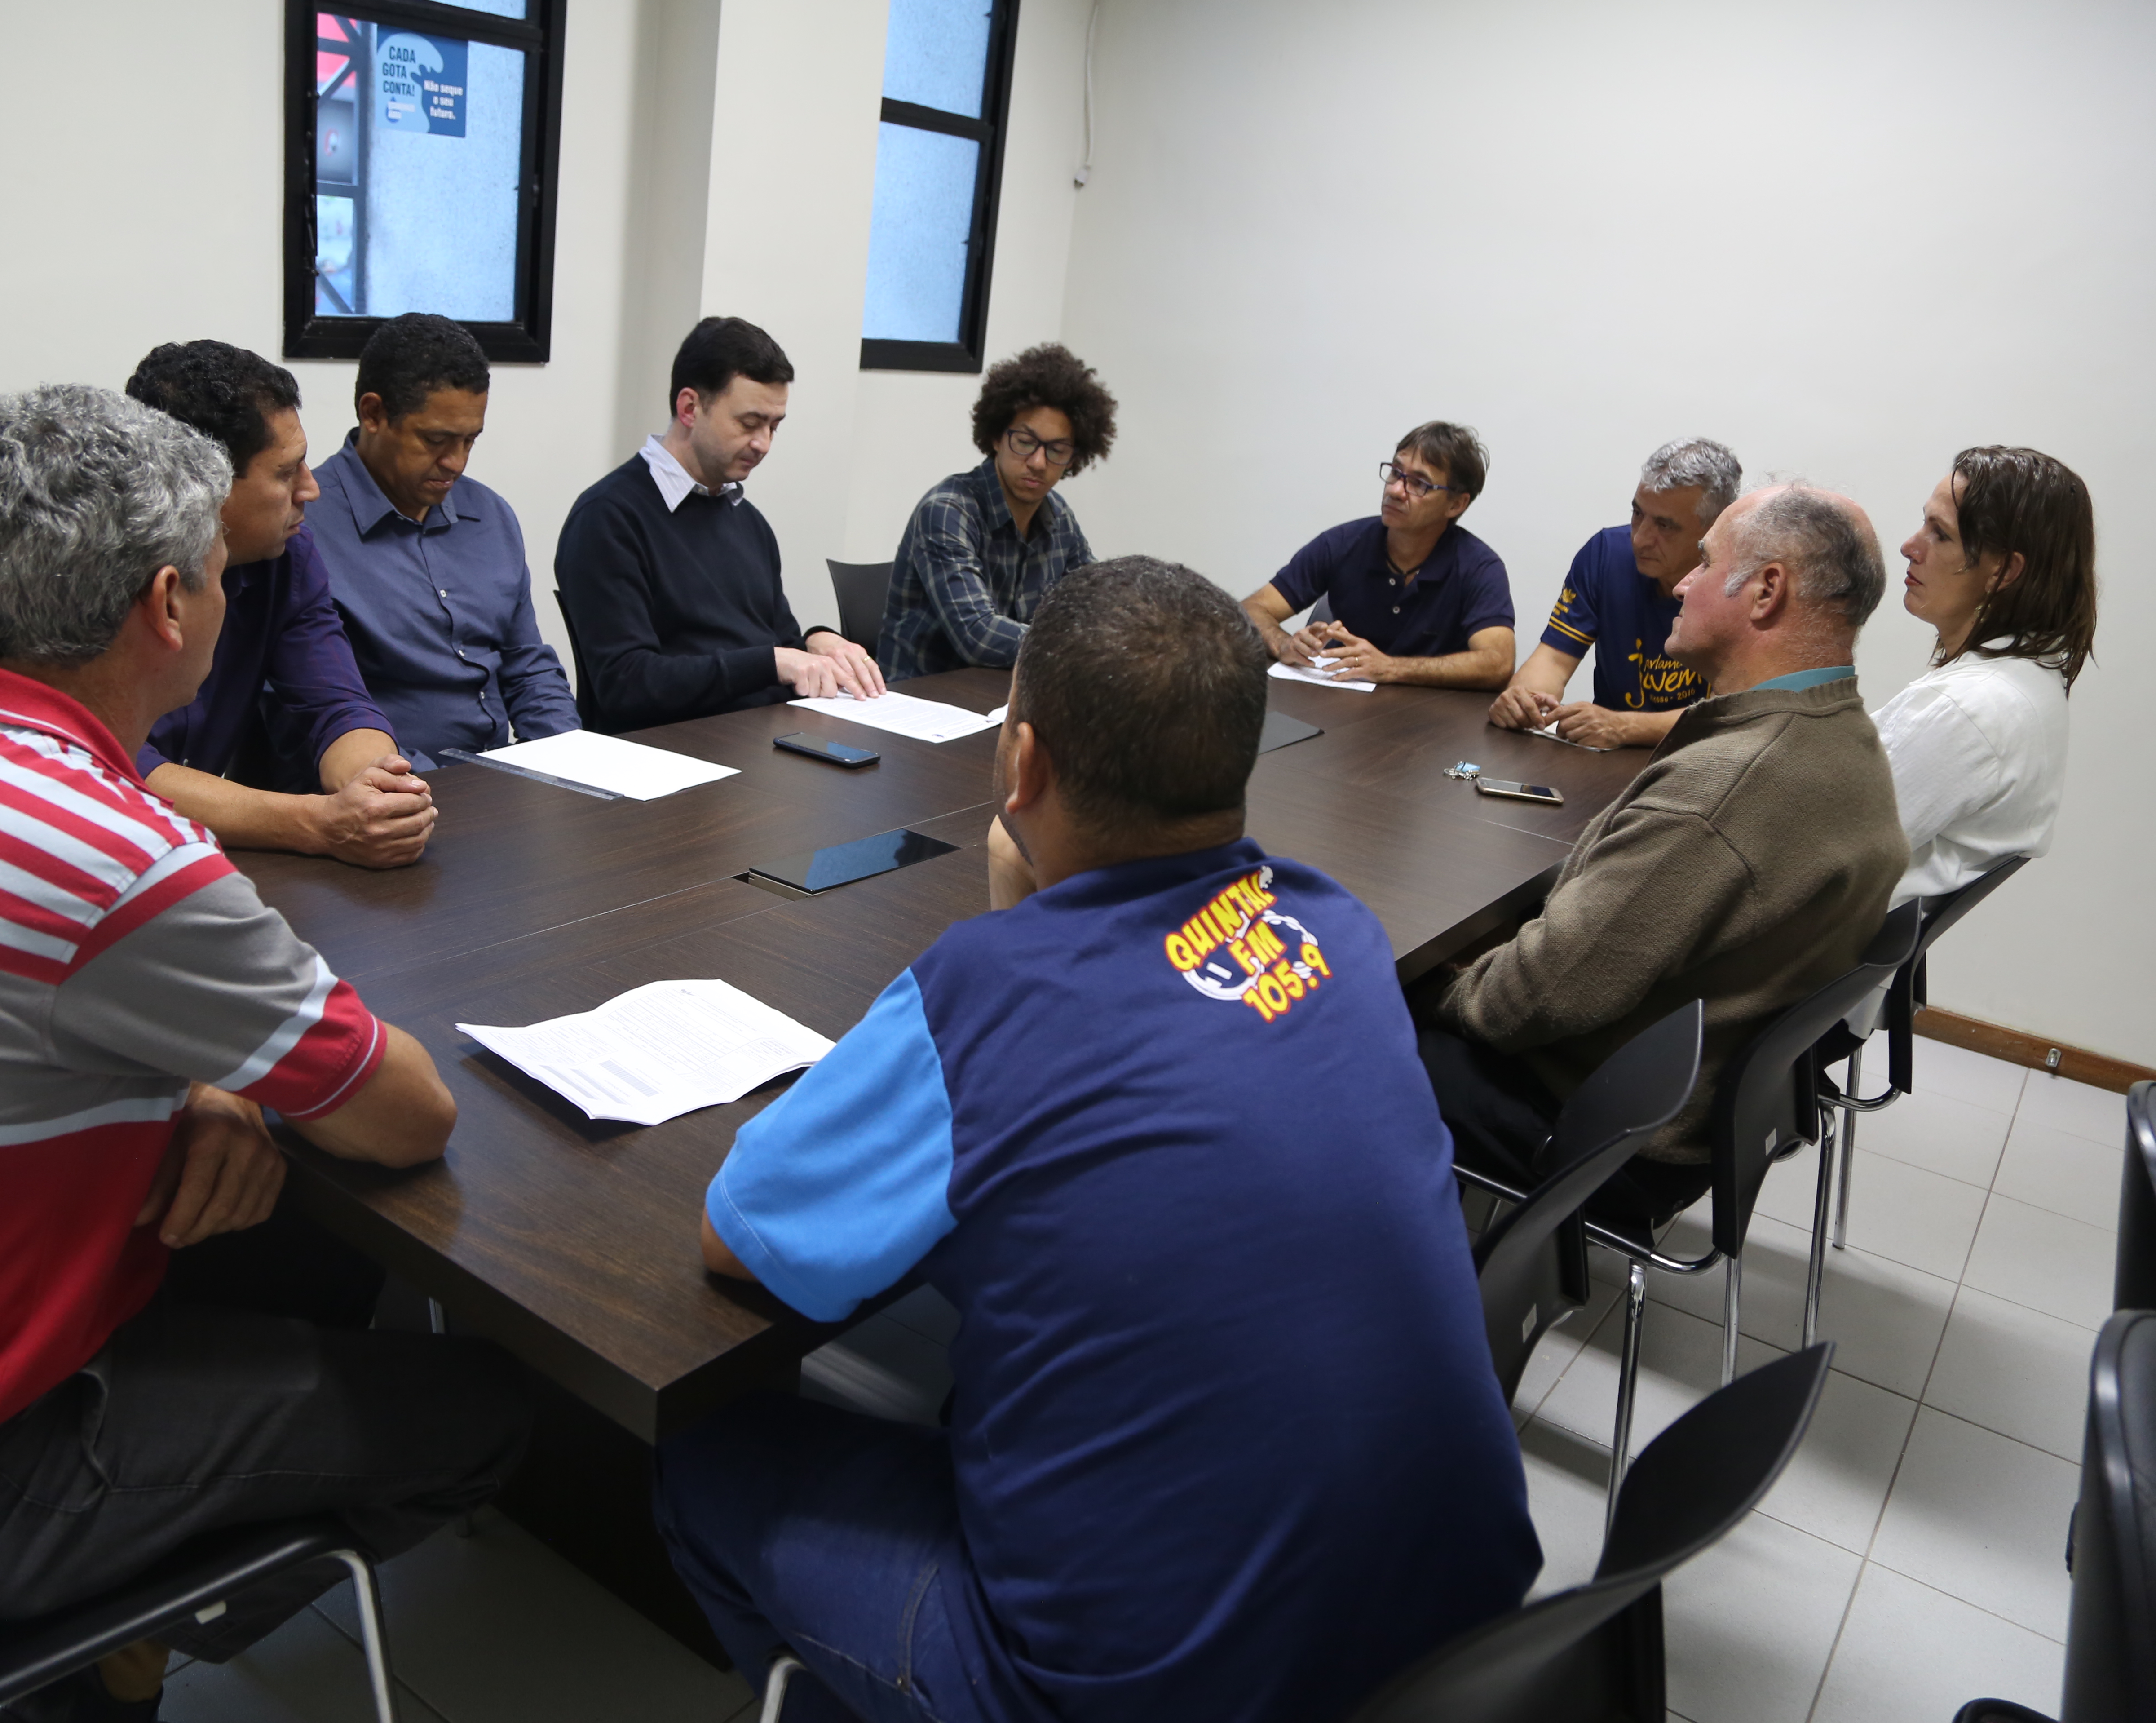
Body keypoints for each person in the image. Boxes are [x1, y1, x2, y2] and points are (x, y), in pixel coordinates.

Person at [0, 385, 528, 1723]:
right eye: (214, 568)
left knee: (307, 1247)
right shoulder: (110, 851)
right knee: (489, 1402)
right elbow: (407, 1116)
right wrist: (234, 1072)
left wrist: (208, 1073)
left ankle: (163, 1519)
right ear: (165, 602)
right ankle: (115, 1647)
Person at [657, 558, 1541, 1723]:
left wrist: (1011, 933)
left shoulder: (989, 991)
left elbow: (742, 1236)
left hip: (1141, 1694)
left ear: (1020, 762)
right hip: (1457, 1640)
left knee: (697, 1457)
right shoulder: (1333, 925)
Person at [1414, 485, 1909, 1229]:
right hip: (1680, 1121)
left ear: (1767, 590)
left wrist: (1431, 979)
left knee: (1322, 1008)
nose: (1680, 582)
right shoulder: (1847, 737)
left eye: (1704, 562)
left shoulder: (1727, 788)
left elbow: (1526, 1003)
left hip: (1604, 1140)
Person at [124, 339, 436, 867]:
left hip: (200, 855)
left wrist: (380, 785)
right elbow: (110, 765)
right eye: (286, 472)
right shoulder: (79, 570)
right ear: (205, 488)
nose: (311, 489)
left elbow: (335, 700)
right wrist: (315, 824)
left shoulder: (285, 554)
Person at [555, 317, 883, 732]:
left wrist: (816, 642)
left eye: (774, 426)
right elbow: (626, 687)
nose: (763, 443)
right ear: (690, 408)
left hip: (760, 741)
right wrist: (772, 661)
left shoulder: (748, 522)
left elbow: (781, 646)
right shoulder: (608, 518)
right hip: (670, 757)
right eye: (749, 424)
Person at [306, 312, 579, 766]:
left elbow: (528, 669)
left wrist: (571, 760)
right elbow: (309, 706)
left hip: (501, 780)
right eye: (436, 440)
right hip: (392, 787)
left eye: (471, 440)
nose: (456, 462)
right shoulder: (304, 528)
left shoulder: (490, 517)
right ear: (373, 413)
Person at [1875, 446, 2094, 907]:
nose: (1910, 547)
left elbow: (1813, 850)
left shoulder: (1973, 710)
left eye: (1940, 534)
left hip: (1786, 969)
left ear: (2005, 571)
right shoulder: (2021, 683)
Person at [875, 343, 1114, 680]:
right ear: (997, 437)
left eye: (1057, 450)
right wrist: (1078, 646)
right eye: (1025, 442)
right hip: (918, 704)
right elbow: (978, 635)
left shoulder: (1059, 518)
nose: (1038, 462)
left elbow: (1097, 607)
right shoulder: (948, 510)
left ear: (1074, 459)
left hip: (1000, 698)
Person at [1488, 437, 1741, 748]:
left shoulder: (1741, 585)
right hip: (1605, 762)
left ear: (1713, 530)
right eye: (1638, 514)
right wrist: (1522, 701)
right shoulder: (1606, 555)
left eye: (1664, 526)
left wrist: (1625, 727)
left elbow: (1729, 715)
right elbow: (1553, 661)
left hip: (1698, 765)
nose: (1640, 539)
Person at [1241, 421, 1515, 689]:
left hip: (1431, 722)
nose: (1395, 491)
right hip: (1339, 708)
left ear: (1456, 504)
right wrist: (1283, 643)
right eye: (1396, 472)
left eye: (1419, 483)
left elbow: (1498, 663)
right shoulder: (1343, 543)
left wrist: (1391, 668)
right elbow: (1253, 608)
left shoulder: (1479, 567)